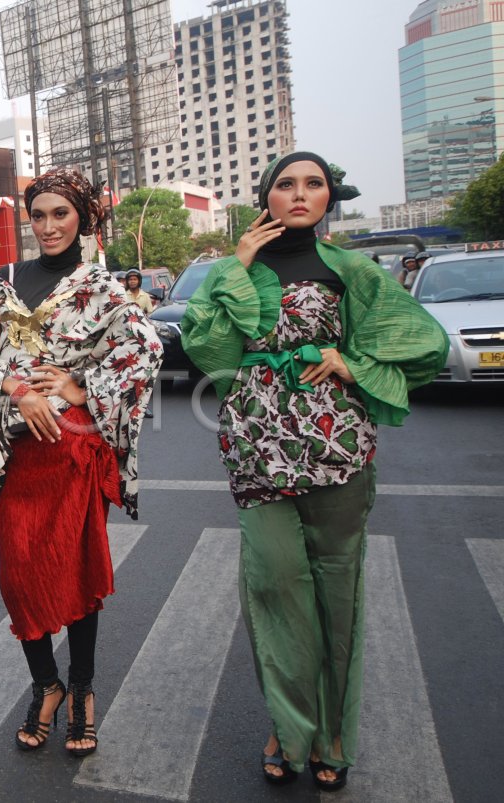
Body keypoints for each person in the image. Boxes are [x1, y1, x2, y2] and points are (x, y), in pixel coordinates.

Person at [180, 152, 448, 790]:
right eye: (285, 185)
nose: (299, 195)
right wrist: (234, 267)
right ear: (265, 197)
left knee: (337, 595)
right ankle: (289, 726)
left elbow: (425, 341)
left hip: (337, 451)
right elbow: (206, 348)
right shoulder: (233, 267)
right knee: (273, 588)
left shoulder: (350, 267)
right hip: (256, 449)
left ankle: (329, 738)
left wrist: (351, 362)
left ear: (330, 197)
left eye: (314, 184)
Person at [0, 167, 162, 757]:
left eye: (60, 214)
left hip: (72, 454)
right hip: (17, 455)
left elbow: (146, 350)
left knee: (76, 574)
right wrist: (17, 389)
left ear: (83, 218)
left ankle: (84, 690)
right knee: (20, 576)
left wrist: (78, 383)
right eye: (37, 215)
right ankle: (47, 684)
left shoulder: (106, 288)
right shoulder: (3, 282)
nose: (47, 226)